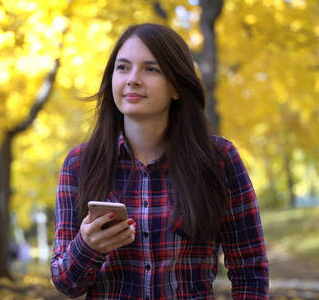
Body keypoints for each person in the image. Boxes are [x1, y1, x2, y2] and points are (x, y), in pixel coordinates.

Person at [51, 23, 268, 299]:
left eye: (150, 69)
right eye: (123, 67)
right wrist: (87, 245)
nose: (133, 79)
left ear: (176, 86)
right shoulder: (80, 164)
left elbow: (250, 270)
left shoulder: (218, 159)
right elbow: (65, 283)